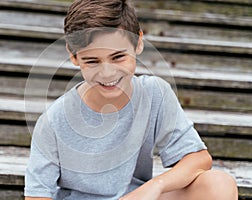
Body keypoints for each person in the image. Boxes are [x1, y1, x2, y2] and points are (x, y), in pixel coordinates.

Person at [24, 0, 238, 199]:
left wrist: (155, 186)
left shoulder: (155, 93)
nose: (107, 73)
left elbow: (198, 159)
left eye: (118, 57)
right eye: (92, 61)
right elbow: (37, 194)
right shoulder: (54, 120)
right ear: (74, 56)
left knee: (218, 184)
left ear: (138, 43)